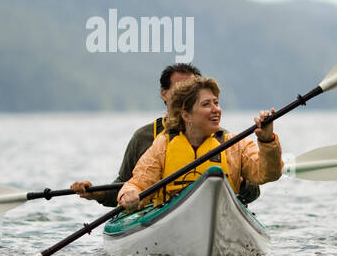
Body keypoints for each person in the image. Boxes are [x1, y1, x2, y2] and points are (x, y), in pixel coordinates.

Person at [72, 63, 262, 207]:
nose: (187, 93)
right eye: (181, 88)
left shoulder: (224, 140)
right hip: (156, 213)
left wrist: (237, 181)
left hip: (217, 208)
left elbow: (254, 192)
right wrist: (96, 193)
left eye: (193, 88)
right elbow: (124, 186)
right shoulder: (145, 137)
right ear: (164, 94)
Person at [118, 76, 282, 211]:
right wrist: (129, 194)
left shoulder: (234, 145)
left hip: (225, 215)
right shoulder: (163, 146)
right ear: (186, 115)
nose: (215, 109)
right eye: (206, 104)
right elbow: (137, 183)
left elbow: (268, 174)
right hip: (173, 216)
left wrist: (267, 140)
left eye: (216, 103)